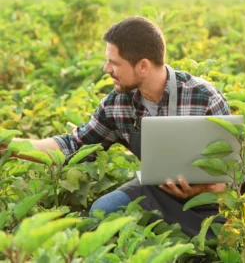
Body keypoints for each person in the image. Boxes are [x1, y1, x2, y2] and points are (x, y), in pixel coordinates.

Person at [1, 16, 230, 238]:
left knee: (220, 236)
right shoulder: (118, 103)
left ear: (142, 66)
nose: (105, 68)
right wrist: (10, 146)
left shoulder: (203, 97)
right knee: (103, 211)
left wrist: (203, 190)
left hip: (211, 200)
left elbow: (235, 178)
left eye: (114, 62)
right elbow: (74, 145)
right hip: (155, 188)